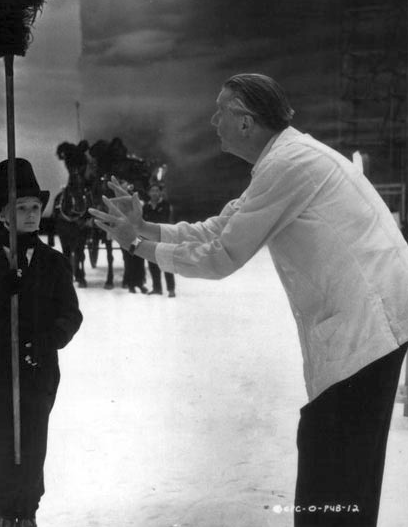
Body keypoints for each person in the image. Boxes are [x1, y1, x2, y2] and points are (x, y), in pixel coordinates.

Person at [90, 73, 408, 527]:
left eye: (221, 110)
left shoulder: (288, 165)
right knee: (343, 472)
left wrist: (136, 245)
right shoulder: (285, 160)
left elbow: (221, 255)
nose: (213, 121)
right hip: (374, 328)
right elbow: (219, 228)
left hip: (367, 332)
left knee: (333, 473)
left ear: (246, 121)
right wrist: (144, 227)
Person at [0, 158, 83, 527]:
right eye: (21, 208)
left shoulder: (53, 262)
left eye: (35, 208)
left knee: (33, 439)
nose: (31, 215)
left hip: (39, 367)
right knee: (1, 439)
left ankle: (27, 512)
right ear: (3, 216)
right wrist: (0, 287)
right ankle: (4, 512)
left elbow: (70, 314)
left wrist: (50, 339)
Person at [142, 183, 176, 297]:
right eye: (152, 191)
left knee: (166, 263)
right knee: (152, 263)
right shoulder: (145, 207)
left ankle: (171, 289)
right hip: (150, 239)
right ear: (149, 193)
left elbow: (166, 220)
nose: (155, 193)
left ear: (160, 192)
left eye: (157, 190)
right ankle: (157, 288)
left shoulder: (165, 205)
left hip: (163, 237)